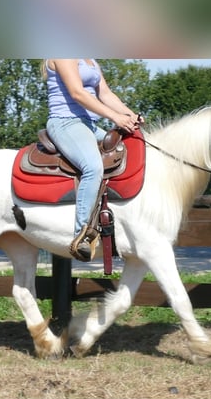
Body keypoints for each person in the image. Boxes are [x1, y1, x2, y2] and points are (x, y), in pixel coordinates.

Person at [43, 58, 143, 261]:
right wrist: (116, 118)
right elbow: (77, 93)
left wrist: (130, 115)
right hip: (65, 123)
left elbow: (105, 93)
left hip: (88, 125)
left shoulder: (90, 59)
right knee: (93, 167)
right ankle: (82, 235)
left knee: (128, 150)